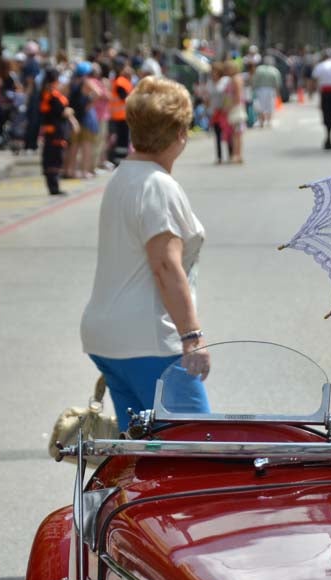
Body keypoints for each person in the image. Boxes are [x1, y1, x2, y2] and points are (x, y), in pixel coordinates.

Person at [80, 76, 209, 431]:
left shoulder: (124, 177)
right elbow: (165, 266)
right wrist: (192, 337)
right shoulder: (157, 186)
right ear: (180, 133)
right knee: (198, 447)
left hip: (108, 338)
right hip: (150, 340)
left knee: (144, 452)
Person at [38, 68, 78, 196]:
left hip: (52, 130)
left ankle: (53, 185)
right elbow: (61, 111)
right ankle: (54, 186)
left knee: (52, 157)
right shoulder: (52, 95)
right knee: (54, 158)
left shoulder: (46, 93)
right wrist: (70, 112)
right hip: (55, 131)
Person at [108, 59, 133, 164]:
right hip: (121, 116)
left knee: (121, 139)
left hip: (119, 115)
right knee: (122, 140)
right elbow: (124, 98)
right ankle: (120, 160)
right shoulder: (121, 82)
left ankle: (120, 159)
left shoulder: (118, 80)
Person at [252, 55, 281, 129]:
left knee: (261, 106)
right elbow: (277, 82)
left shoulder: (259, 69)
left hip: (260, 89)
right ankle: (268, 121)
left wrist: (253, 88)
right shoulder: (274, 70)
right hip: (271, 90)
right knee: (270, 105)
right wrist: (278, 92)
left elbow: (255, 80)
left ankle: (261, 121)